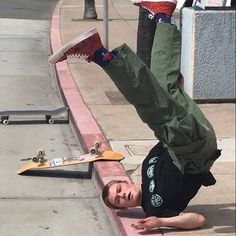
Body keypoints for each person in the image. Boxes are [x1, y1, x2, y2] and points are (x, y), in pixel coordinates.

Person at [49, 0, 221, 231]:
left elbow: (164, 137)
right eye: (120, 200)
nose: (123, 196)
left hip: (185, 138)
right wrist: (162, 222)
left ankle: (163, 16)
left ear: (124, 182)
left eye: (119, 191)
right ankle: (100, 55)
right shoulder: (154, 208)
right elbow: (198, 219)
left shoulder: (146, 165)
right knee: (152, 107)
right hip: (193, 156)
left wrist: (175, 100)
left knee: (162, 86)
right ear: (126, 208)